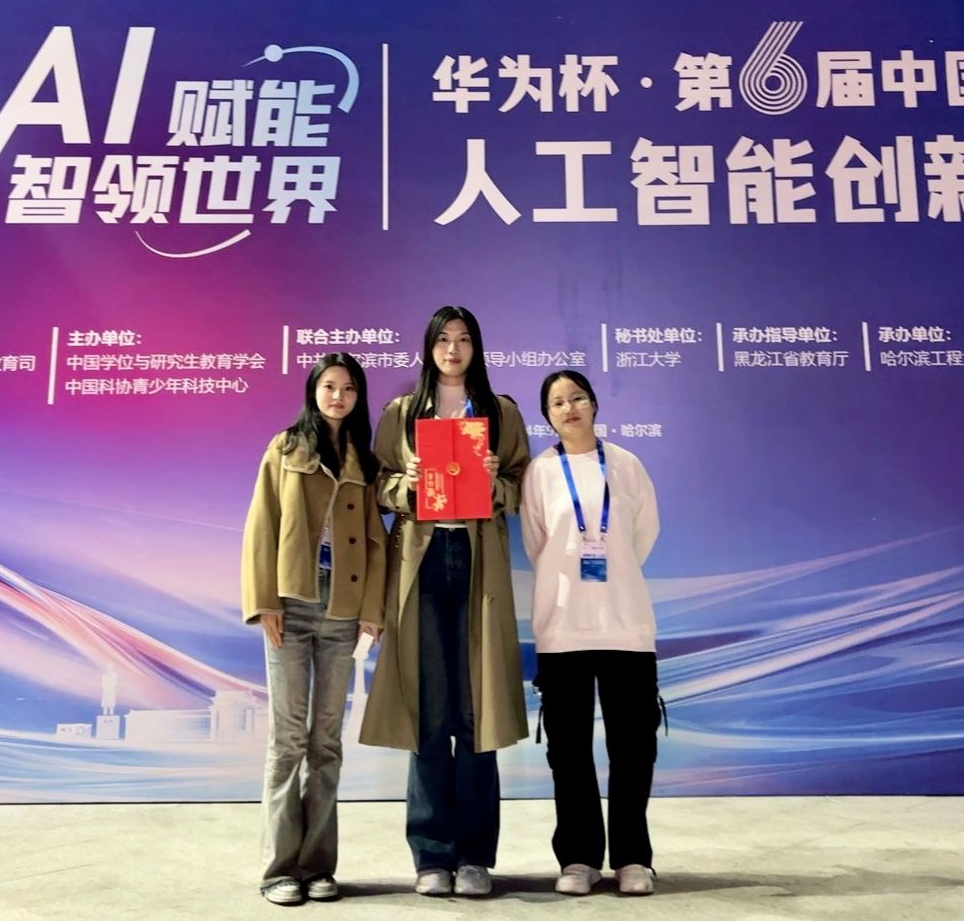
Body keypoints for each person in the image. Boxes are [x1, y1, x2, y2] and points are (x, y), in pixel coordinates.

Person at [360, 306, 530, 898]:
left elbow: (522, 486)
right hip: (423, 562)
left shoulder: (500, 412)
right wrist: (406, 482)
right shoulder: (403, 412)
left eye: (463, 340)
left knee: (477, 712)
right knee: (428, 711)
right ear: (429, 348)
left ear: (476, 348)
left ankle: (476, 856)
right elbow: (378, 485)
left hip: (478, 564)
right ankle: (431, 855)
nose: (453, 350)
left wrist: (494, 480)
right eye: (443, 340)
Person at [241, 352, 388, 906]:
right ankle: (279, 869)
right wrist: (264, 602)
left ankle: (319, 866)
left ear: (358, 397)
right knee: (287, 740)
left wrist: (371, 610)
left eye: (348, 389)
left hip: (343, 609)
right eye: (329, 386)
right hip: (292, 603)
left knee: (326, 742)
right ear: (313, 391)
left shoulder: (363, 461)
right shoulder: (285, 448)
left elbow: (375, 540)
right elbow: (262, 524)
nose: (338, 397)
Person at [520, 370, 662, 897]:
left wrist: (611, 572)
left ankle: (633, 858)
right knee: (569, 751)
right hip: (563, 629)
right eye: (557, 402)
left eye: (577, 397)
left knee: (633, 748)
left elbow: (643, 535)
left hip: (626, 625)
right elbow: (537, 542)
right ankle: (578, 857)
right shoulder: (540, 472)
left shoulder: (626, 465)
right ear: (548, 416)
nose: (569, 408)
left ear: (594, 404)